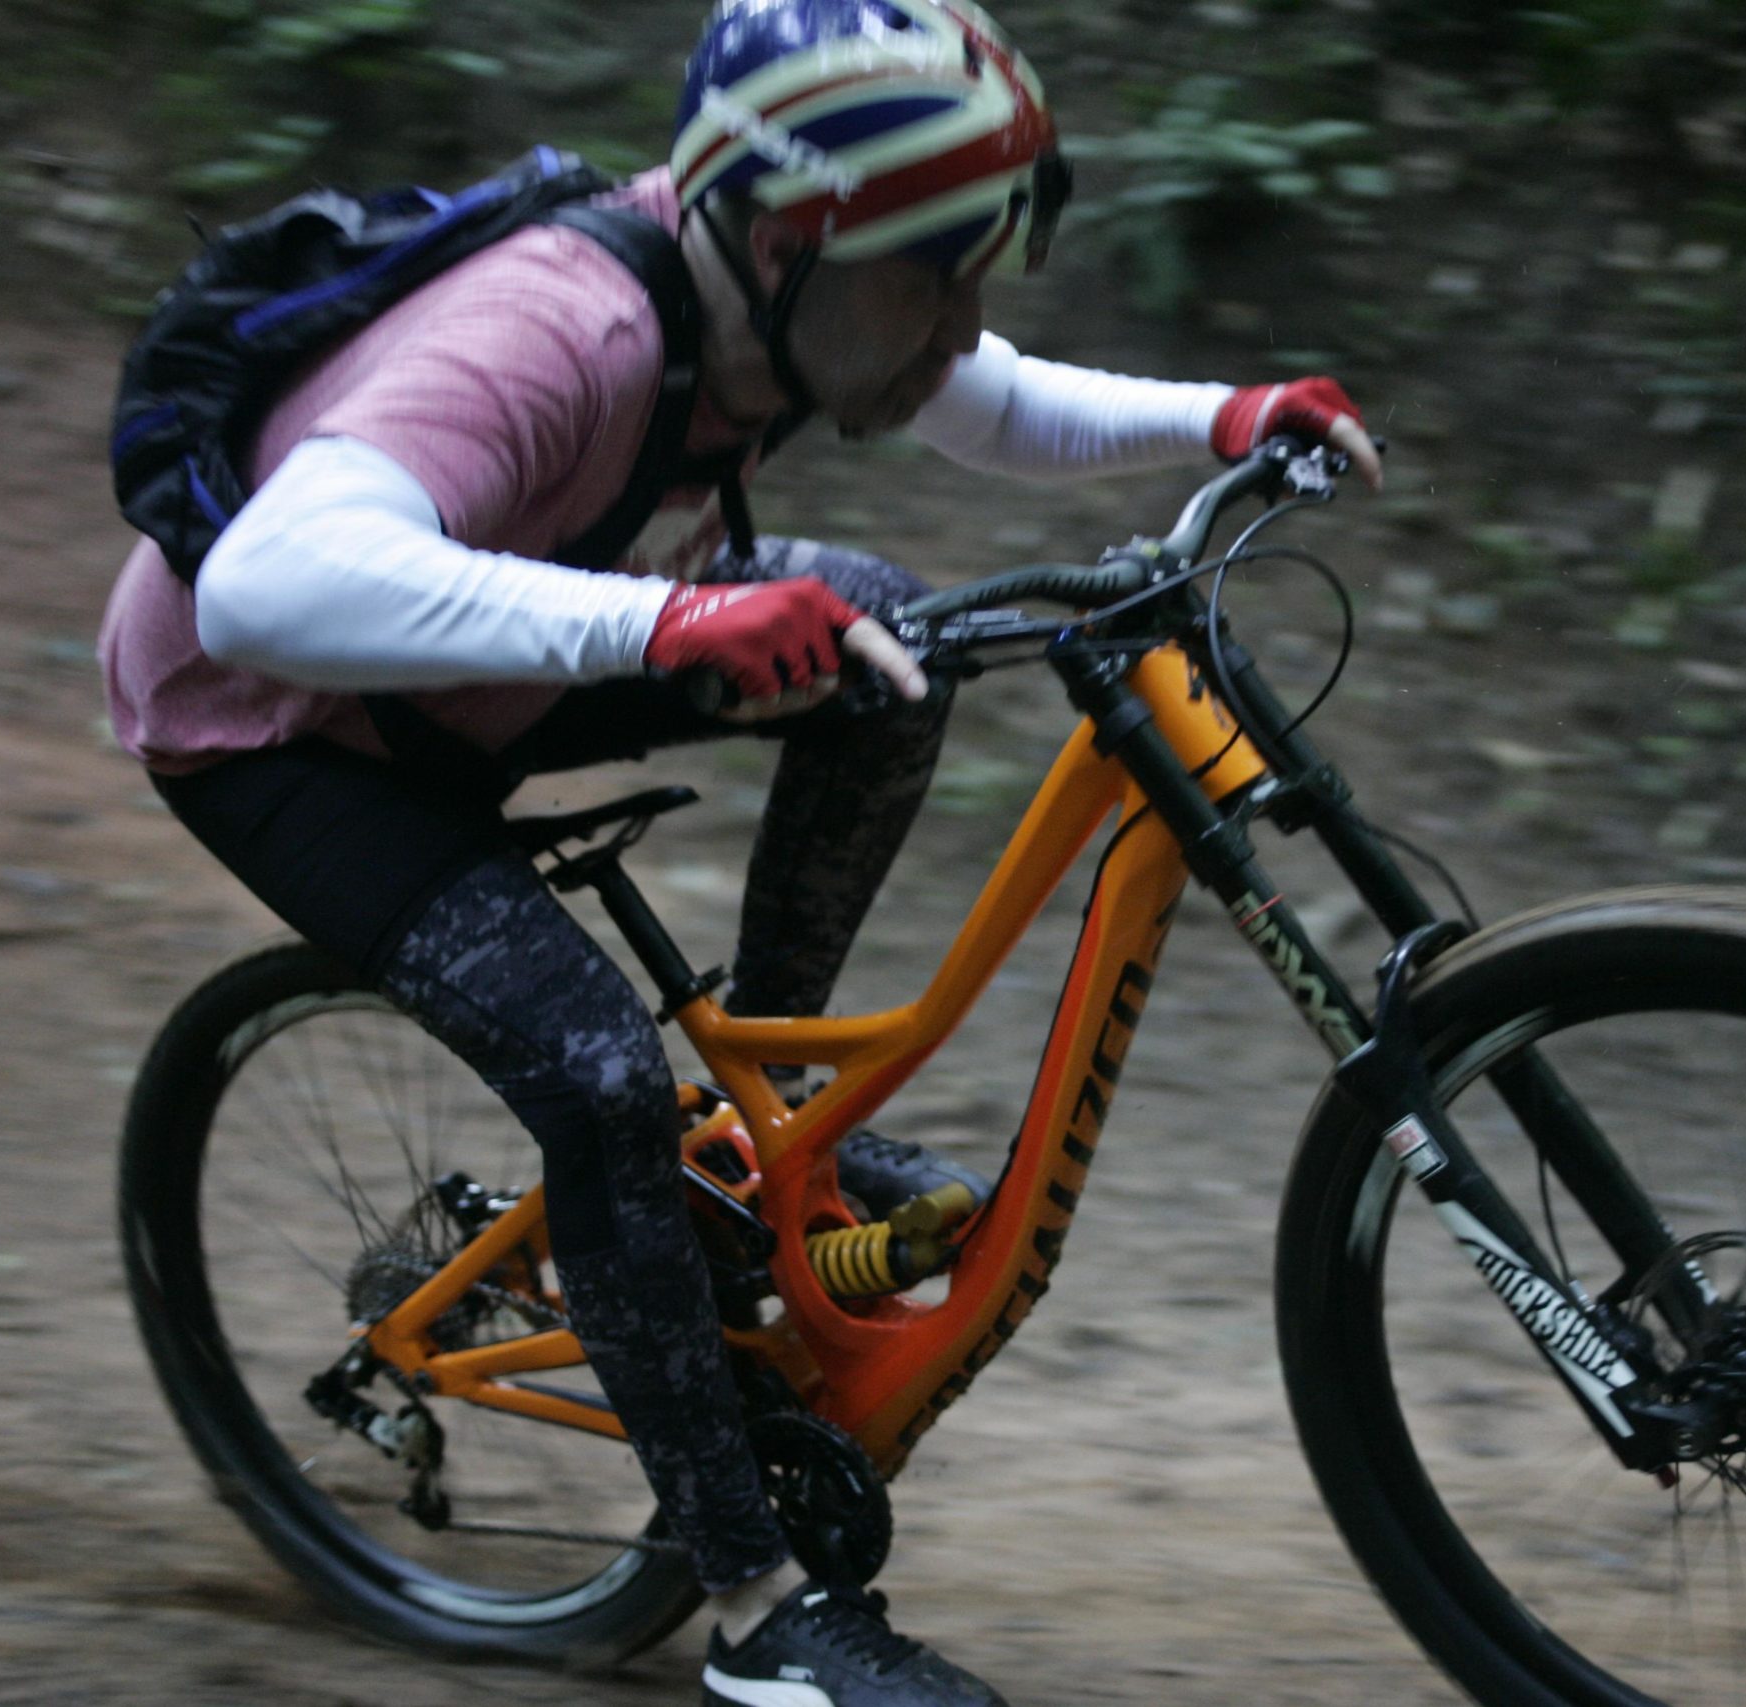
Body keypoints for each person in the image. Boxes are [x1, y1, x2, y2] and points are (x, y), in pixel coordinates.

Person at [97, 0, 1380, 1701]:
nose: (965, 316)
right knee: (592, 1075)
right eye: (939, 269)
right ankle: (762, 1607)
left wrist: (1224, 416)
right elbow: (268, 584)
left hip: (470, 667)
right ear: (787, 237)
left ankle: (770, 1152)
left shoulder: (780, 299)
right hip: (278, 723)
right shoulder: (561, 332)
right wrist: (679, 619)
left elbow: (968, 392)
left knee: (885, 644)